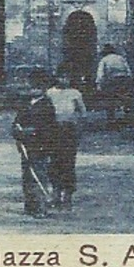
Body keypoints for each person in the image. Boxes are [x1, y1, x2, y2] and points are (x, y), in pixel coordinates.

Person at [12, 72, 59, 217]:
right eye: (31, 87)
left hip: (40, 146)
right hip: (26, 146)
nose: (33, 90)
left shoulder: (47, 105)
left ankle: (41, 207)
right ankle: (30, 205)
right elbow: (17, 121)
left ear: (43, 89)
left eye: (37, 87)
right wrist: (17, 131)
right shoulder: (25, 104)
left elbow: (47, 128)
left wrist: (30, 131)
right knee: (27, 176)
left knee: (38, 175)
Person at [46, 70, 87, 208]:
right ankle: (56, 193)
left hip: (69, 130)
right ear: (56, 78)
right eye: (62, 77)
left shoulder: (75, 93)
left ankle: (68, 195)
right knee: (54, 162)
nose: (64, 80)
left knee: (68, 162)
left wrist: (78, 129)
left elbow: (82, 112)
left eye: (67, 77)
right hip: (54, 130)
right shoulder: (50, 93)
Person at [94, 44, 133, 128]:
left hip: (112, 80)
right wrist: (129, 80)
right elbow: (128, 70)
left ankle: (111, 120)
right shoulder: (120, 58)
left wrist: (99, 84)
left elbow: (100, 74)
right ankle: (126, 115)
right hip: (123, 79)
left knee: (110, 99)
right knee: (124, 97)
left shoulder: (104, 60)